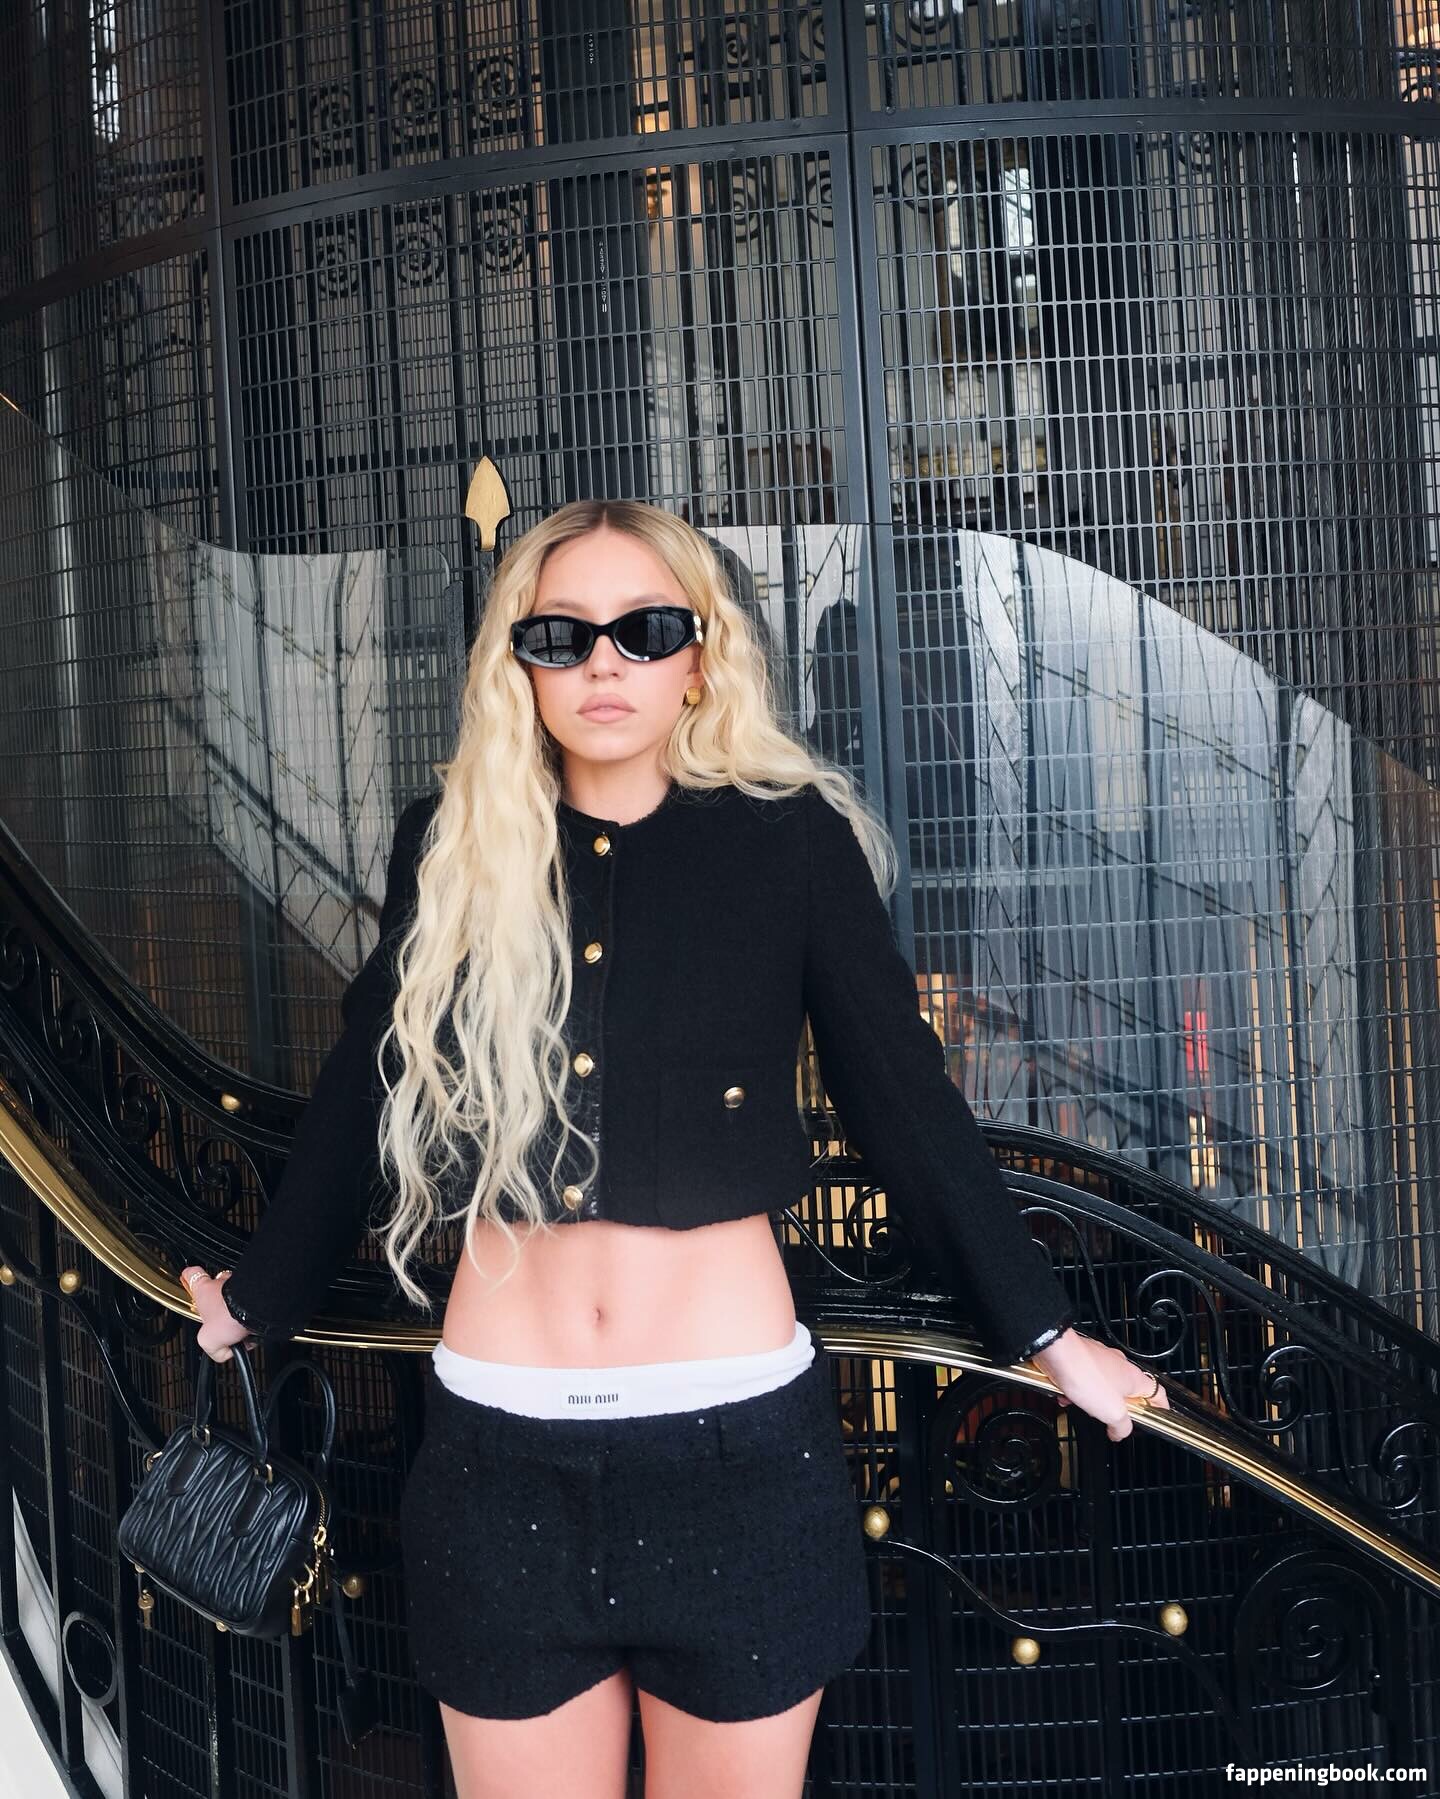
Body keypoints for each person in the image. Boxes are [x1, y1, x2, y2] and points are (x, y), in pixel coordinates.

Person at [182, 500, 1169, 1799]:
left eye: (644, 631)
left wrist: (1046, 1332)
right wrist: (256, 1297)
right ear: (520, 664)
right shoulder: (453, 846)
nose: (604, 662)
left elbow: (906, 1106)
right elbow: (368, 1082)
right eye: (562, 634)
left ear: (700, 656)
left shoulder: (790, 842)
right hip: (498, 1467)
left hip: (738, 1465)